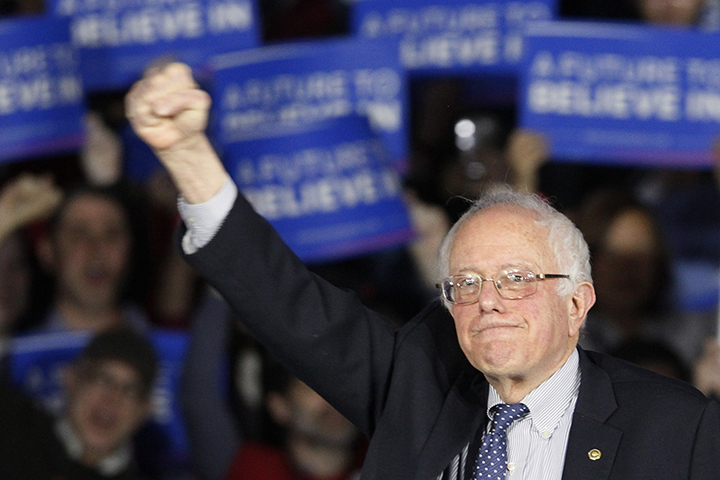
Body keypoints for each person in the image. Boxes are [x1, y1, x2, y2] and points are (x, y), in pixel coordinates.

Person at [126, 62, 720, 480]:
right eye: (465, 284)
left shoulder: (674, 427)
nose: (487, 300)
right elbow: (287, 303)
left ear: (577, 302)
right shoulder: (419, 385)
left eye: (515, 278)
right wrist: (187, 157)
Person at [180, 288, 363, 480]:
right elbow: (199, 392)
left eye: (342, 383)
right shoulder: (248, 465)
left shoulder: (388, 464)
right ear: (279, 407)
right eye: (314, 387)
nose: (333, 398)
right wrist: (221, 286)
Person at [0, 327, 158, 479]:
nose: (112, 399)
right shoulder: (13, 430)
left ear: (144, 411)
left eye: (129, 390)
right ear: (71, 379)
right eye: (103, 380)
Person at [34, 182, 152, 333]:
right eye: (79, 233)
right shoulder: (14, 351)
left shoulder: (166, 348)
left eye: (112, 234)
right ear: (48, 252)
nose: (97, 249)